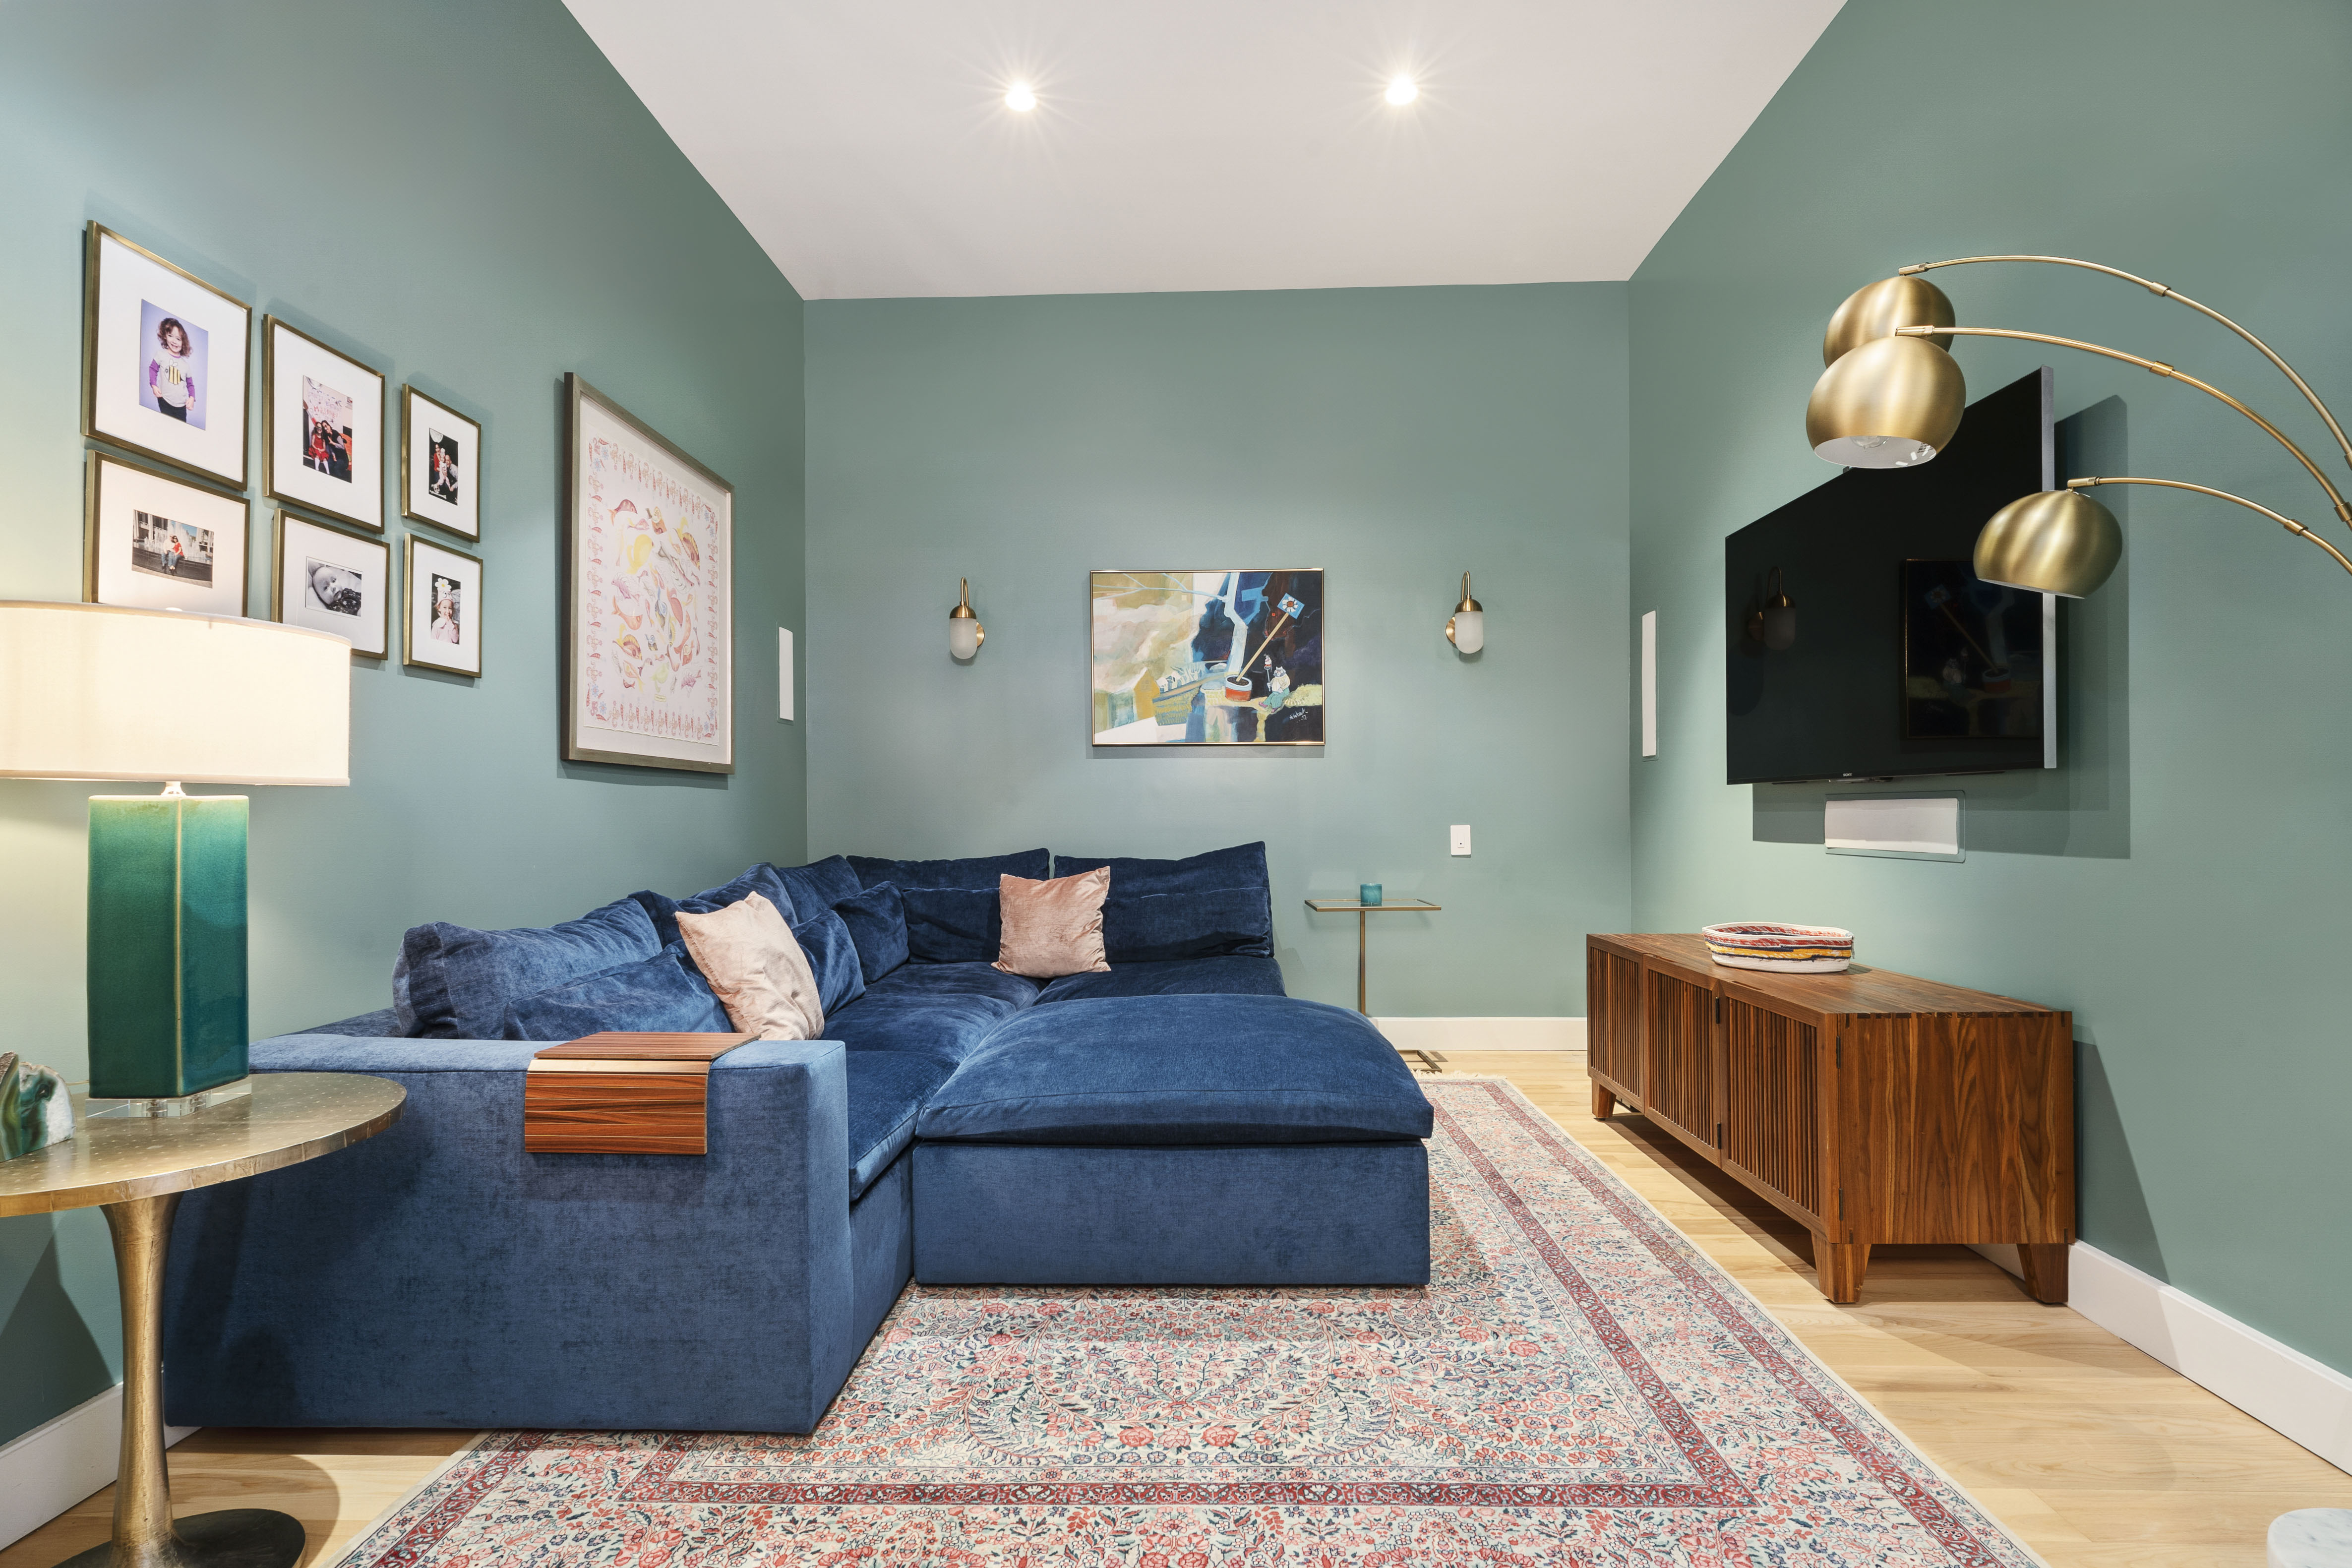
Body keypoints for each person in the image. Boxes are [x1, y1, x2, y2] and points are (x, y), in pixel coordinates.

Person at [148, 317, 195, 423]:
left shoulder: (185, 365)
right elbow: (153, 369)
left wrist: (192, 398)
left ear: (183, 342)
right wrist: (154, 385)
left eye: (178, 339)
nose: (174, 341)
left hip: (181, 406)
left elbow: (190, 385)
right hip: (164, 400)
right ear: (165, 336)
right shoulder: (161, 355)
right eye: (170, 336)